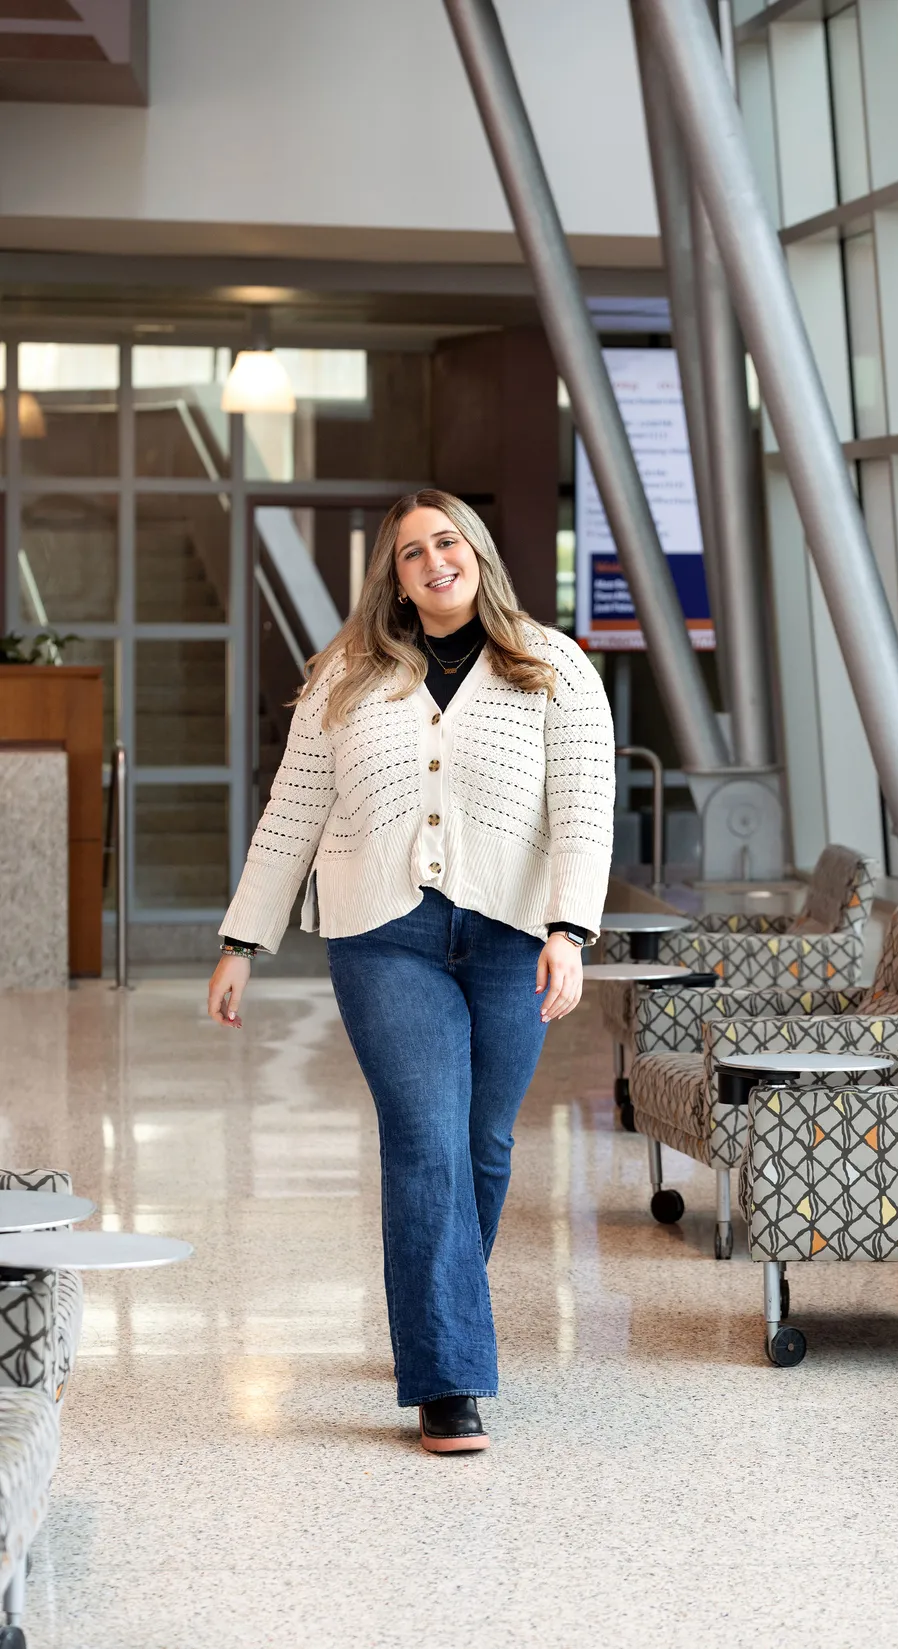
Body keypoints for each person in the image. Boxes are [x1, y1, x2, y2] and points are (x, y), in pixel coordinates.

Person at [207, 490, 615, 1453]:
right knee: (427, 1139)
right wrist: (241, 942)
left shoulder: (553, 665)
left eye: (448, 542)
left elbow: (585, 806)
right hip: (384, 937)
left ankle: (437, 1318)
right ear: (392, 577)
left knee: (483, 1147)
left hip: (514, 934)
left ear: (477, 552)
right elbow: (292, 814)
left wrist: (570, 930)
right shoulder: (344, 674)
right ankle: (448, 1378)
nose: (435, 562)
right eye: (412, 553)